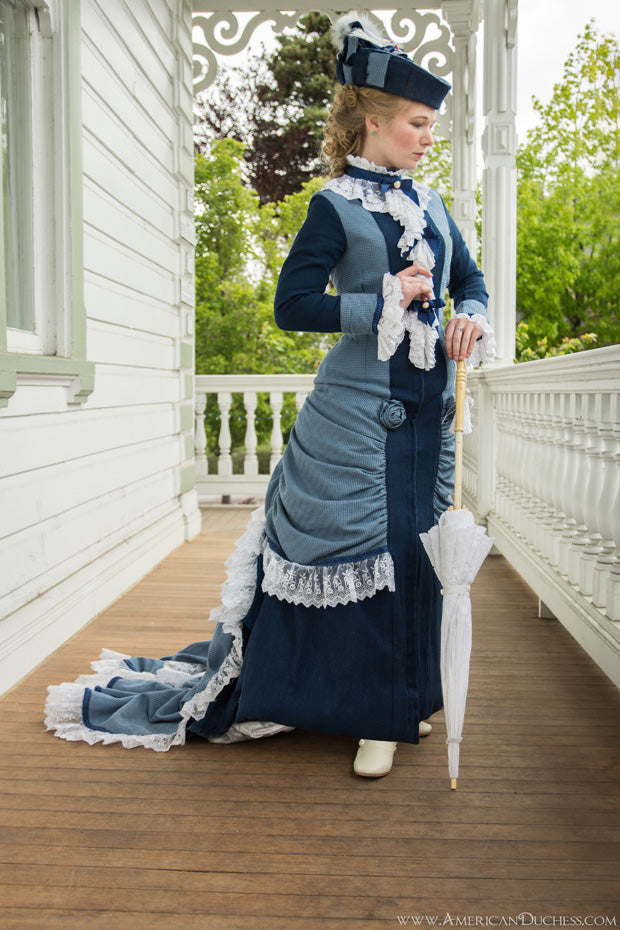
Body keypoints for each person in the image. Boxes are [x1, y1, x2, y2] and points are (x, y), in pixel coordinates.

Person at [45, 12, 494, 777]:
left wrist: (472, 315)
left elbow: (471, 280)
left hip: (426, 420)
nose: (428, 137)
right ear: (375, 123)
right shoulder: (336, 207)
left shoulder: (436, 208)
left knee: (415, 556)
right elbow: (292, 308)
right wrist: (379, 298)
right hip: (354, 422)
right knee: (368, 554)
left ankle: (406, 696)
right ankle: (370, 716)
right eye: (418, 124)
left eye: (431, 125)